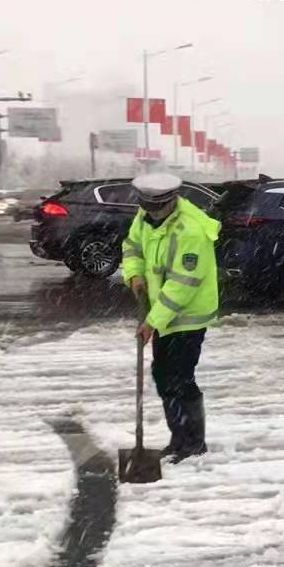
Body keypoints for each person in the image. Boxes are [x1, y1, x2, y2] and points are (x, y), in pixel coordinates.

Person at [119, 172, 220, 462]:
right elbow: (132, 246)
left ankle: (193, 442)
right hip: (161, 312)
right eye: (146, 207)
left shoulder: (190, 231)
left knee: (179, 379)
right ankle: (178, 439)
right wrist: (134, 274)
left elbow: (182, 284)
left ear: (170, 201)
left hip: (188, 316)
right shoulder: (145, 216)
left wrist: (152, 322)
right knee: (163, 375)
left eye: (156, 208)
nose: (150, 213)